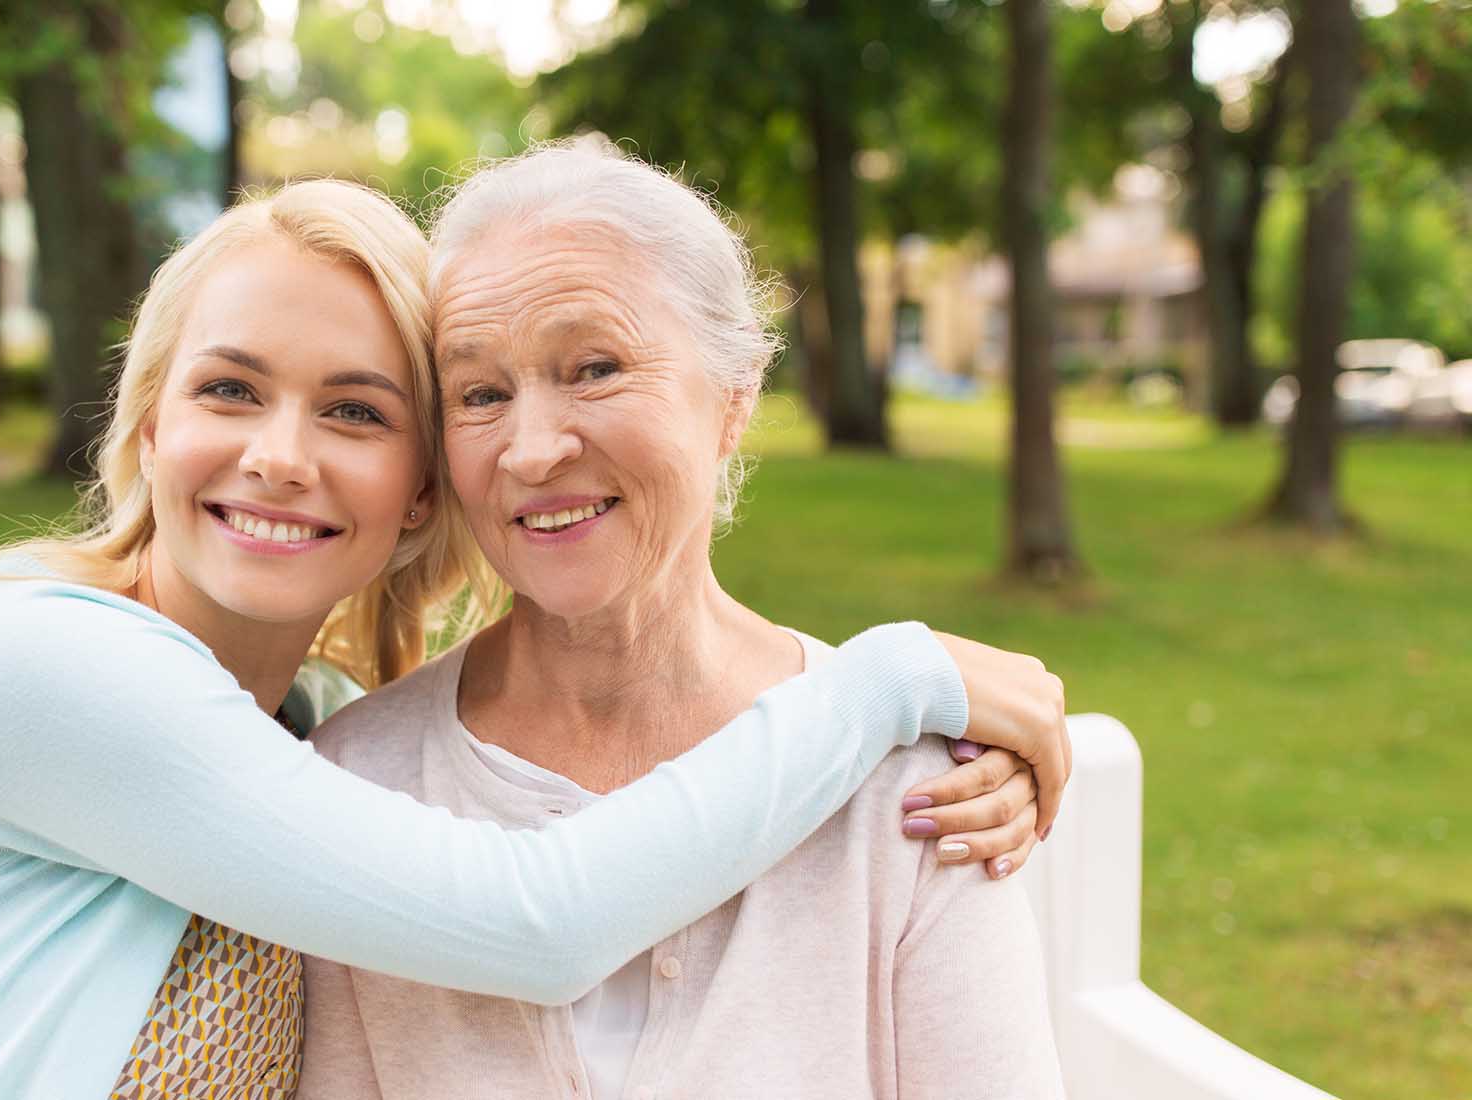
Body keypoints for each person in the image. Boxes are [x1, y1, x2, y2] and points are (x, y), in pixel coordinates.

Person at [0, 179, 1065, 1100]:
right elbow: (535, 920)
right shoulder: (30, 667)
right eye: (228, 389)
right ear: (147, 426)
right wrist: (889, 682)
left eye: (356, 411)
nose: (279, 457)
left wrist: (900, 725)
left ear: (417, 492)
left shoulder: (302, 738)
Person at [296, 144, 1066, 1100]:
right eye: (481, 394)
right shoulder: (355, 783)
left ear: (733, 399)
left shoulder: (918, 792)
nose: (533, 451)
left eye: (594, 367)